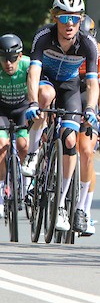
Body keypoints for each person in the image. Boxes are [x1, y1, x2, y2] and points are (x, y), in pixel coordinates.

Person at [24, 0, 100, 232]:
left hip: (69, 87)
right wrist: (32, 103)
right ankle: (33, 154)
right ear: (55, 17)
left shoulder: (88, 44)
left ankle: (61, 205)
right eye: (64, 18)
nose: (70, 24)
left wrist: (90, 108)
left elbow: (93, 83)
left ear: (81, 20)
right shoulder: (43, 37)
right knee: (45, 96)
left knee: (70, 139)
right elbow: (34, 73)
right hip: (46, 80)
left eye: (75, 19)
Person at [74, 16, 100, 235]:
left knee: (87, 151)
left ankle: (84, 210)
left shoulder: (99, 51)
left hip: (90, 92)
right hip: (68, 89)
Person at [0, 35, 29, 217]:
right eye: (4, 59)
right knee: (1, 147)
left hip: (22, 109)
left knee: (23, 145)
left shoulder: (28, 65)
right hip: (1, 110)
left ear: (20, 56)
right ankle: (1, 193)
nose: (8, 63)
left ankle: (25, 185)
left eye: (12, 59)